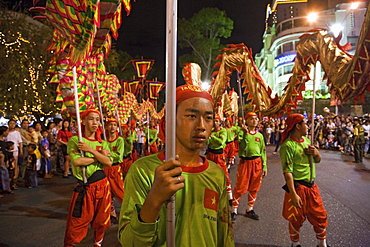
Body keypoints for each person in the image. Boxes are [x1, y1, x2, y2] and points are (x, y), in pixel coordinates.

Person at [118, 85, 234, 246]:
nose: (201, 126)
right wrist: (154, 201)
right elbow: (129, 242)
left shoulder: (216, 174)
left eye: (208, 118)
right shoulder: (144, 171)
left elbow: (224, 234)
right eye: (192, 116)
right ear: (170, 121)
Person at [64, 109, 113, 247]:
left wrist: (91, 150)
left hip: (103, 185)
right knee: (77, 223)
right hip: (85, 187)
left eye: (97, 119)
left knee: (102, 221)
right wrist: (99, 156)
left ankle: (97, 245)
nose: (95, 122)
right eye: (91, 119)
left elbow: (108, 162)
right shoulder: (76, 140)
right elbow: (77, 161)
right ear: (84, 121)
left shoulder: (102, 142)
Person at [280, 113, 329, 247]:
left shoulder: (307, 142)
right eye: (305, 124)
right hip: (298, 188)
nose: (307, 127)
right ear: (297, 126)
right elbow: (287, 172)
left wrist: (317, 153)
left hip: (312, 188)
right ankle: (295, 244)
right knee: (296, 219)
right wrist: (293, 194)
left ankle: (322, 244)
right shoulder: (288, 146)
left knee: (320, 216)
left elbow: (317, 161)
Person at [231, 112, 267, 222]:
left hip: (257, 164)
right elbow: (242, 146)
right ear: (247, 121)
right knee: (240, 187)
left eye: (256, 119)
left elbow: (263, 152)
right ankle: (234, 210)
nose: (255, 121)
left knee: (254, 187)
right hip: (245, 163)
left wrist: (264, 166)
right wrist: (245, 133)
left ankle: (249, 209)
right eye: (252, 119)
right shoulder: (241, 134)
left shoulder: (259, 135)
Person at [207, 116, 233, 200]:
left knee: (224, 175)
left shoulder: (223, 131)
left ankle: (230, 197)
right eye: (214, 121)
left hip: (219, 156)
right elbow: (207, 142)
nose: (215, 123)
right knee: (210, 175)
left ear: (220, 122)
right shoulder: (211, 131)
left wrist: (212, 137)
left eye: (217, 121)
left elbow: (221, 142)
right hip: (210, 155)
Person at [104, 118, 125, 223]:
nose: (112, 127)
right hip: (105, 169)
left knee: (120, 192)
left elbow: (119, 157)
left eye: (114, 125)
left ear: (117, 127)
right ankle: (112, 213)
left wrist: (108, 154)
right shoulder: (104, 140)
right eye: (110, 125)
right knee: (107, 192)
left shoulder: (119, 140)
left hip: (115, 169)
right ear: (106, 127)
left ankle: (129, 211)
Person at [6, 119, 23, 189]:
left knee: (15, 166)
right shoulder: (6, 133)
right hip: (7, 151)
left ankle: (14, 181)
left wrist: (21, 151)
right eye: (11, 123)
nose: (12, 125)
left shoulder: (17, 133)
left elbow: (20, 142)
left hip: (15, 150)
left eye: (13, 123)